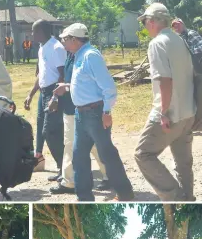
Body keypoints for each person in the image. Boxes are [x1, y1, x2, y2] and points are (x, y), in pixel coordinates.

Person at [55, 23, 134, 202]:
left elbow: (108, 87)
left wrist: (107, 111)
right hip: (81, 114)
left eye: (65, 39)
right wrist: (67, 87)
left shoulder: (91, 56)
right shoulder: (78, 55)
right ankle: (84, 198)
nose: (63, 43)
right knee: (78, 157)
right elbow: (86, 82)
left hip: (95, 113)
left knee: (107, 154)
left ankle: (125, 193)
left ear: (74, 39)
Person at [135, 3, 196, 202]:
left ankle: (174, 196)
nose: (145, 26)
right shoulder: (180, 40)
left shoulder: (157, 43)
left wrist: (163, 112)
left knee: (143, 154)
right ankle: (187, 198)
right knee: (183, 162)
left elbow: (165, 80)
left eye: (145, 22)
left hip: (171, 113)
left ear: (152, 21)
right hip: (188, 112)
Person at [51, 52, 110, 195]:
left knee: (94, 145)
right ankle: (69, 182)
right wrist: (57, 96)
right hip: (69, 108)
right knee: (70, 145)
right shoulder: (70, 57)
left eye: (65, 39)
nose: (63, 42)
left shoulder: (87, 56)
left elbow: (89, 84)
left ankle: (111, 175)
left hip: (83, 109)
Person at [24, 20, 66, 181]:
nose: (32, 34)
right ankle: (62, 169)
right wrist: (30, 94)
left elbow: (63, 75)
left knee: (50, 132)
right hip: (44, 92)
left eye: (34, 31)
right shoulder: (42, 47)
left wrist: (55, 97)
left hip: (54, 93)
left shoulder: (56, 48)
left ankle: (65, 168)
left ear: (43, 31)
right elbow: (41, 75)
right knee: (42, 128)